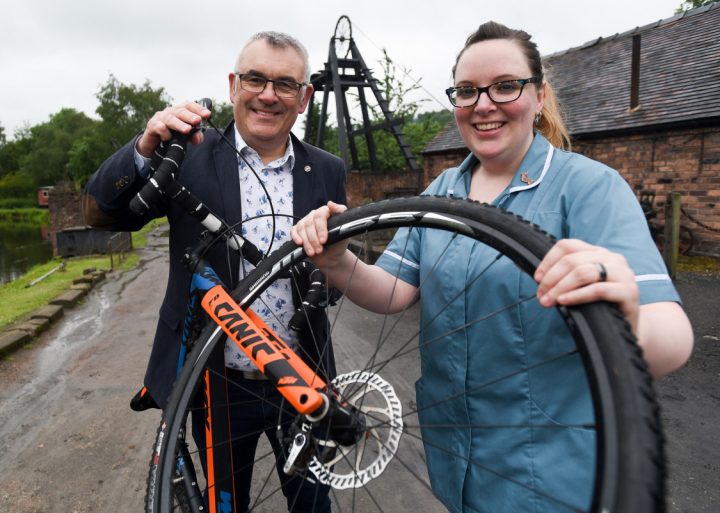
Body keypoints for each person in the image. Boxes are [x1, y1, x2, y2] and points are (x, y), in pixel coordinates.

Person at [291, 21, 694, 513]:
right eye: (466, 91)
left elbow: (671, 340)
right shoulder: (439, 193)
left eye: (506, 86)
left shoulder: (590, 188)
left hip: (554, 475)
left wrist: (627, 309)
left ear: (540, 95)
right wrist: (337, 261)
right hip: (451, 458)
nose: (483, 104)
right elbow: (393, 290)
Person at [83, 31, 345, 513]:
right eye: (255, 78)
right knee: (225, 503)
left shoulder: (327, 169)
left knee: (313, 502)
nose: (268, 94)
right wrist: (144, 145)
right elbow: (101, 214)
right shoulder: (187, 156)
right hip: (217, 379)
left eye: (285, 83)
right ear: (232, 85)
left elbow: (331, 266)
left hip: (303, 372)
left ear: (304, 97)